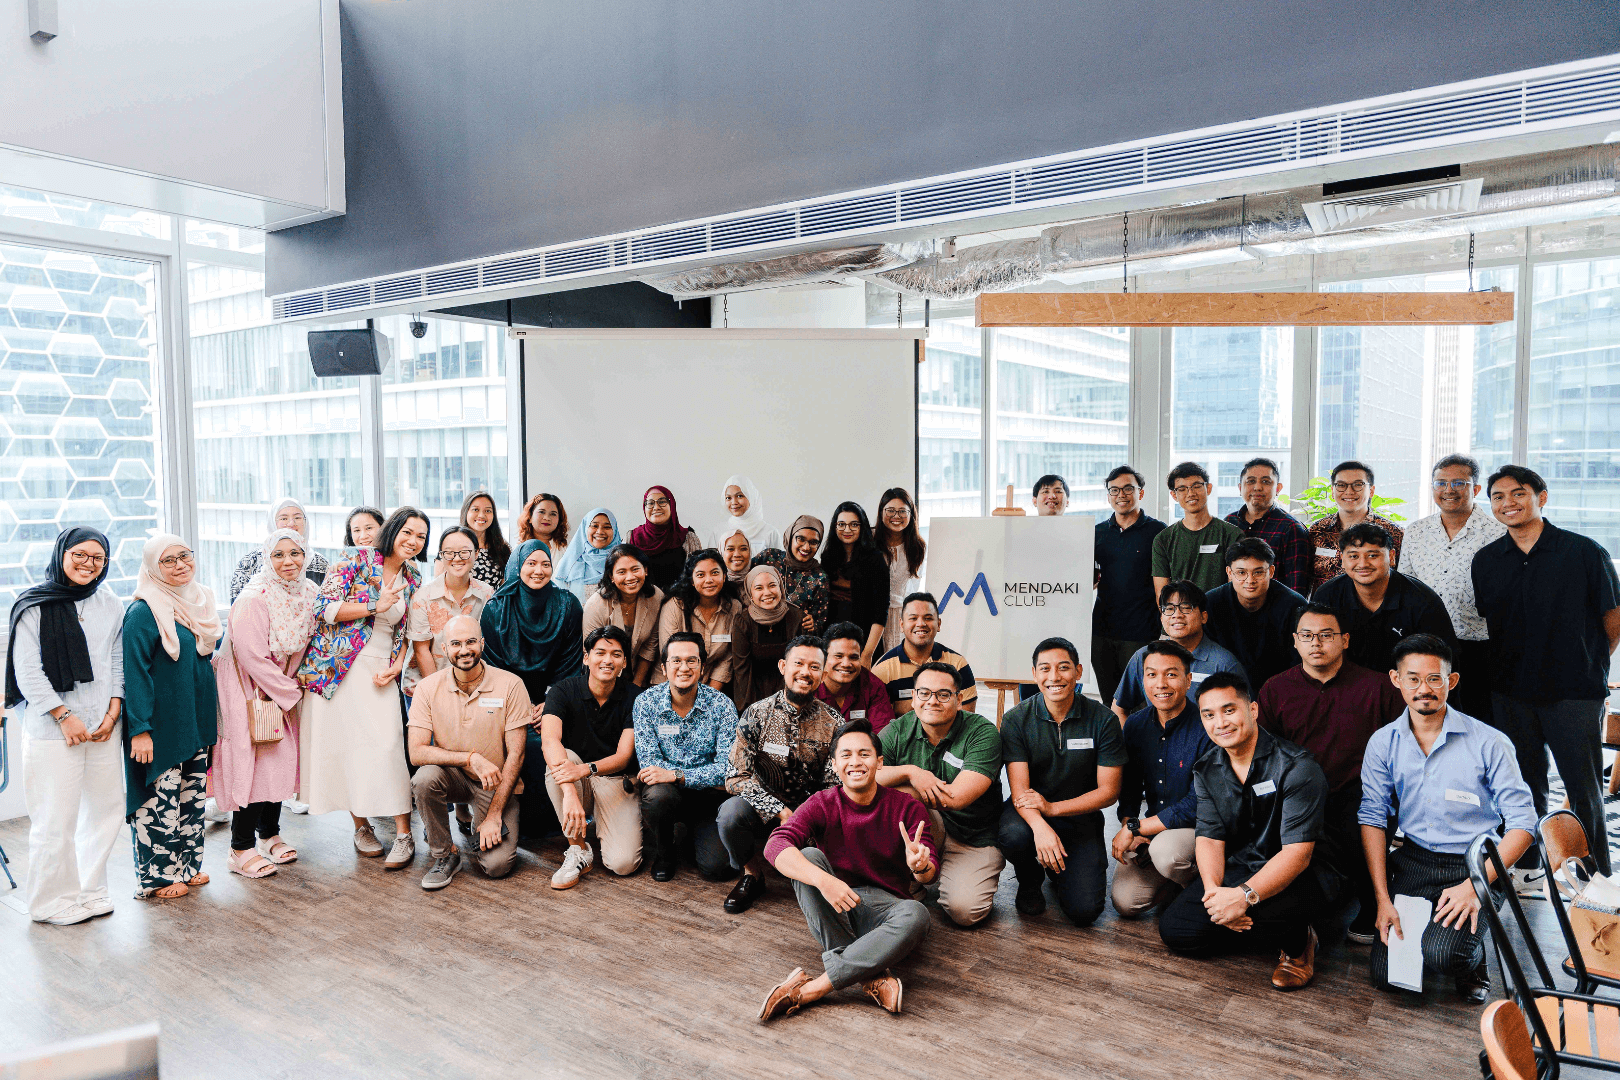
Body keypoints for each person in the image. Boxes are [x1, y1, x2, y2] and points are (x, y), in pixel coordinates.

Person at [1360, 634, 1536, 1003]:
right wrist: (1382, 898)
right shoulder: (1382, 742)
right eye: (1413, 679)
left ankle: (1472, 957)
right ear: (1396, 680)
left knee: (1444, 956)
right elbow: (1373, 817)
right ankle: (1437, 934)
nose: (1424, 689)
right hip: (1414, 860)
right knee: (1386, 977)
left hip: (1475, 863)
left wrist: (1475, 885)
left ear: (1451, 681)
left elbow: (1524, 824)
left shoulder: (1489, 742)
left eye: (1434, 679)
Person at [1472, 464, 1620, 879]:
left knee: (1582, 787)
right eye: (1498, 496)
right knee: (1522, 785)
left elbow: (1613, 618)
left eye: (1518, 493)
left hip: (1573, 690)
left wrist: (1590, 662)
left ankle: (1595, 876)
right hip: (1510, 689)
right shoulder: (1486, 560)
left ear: (1542, 497)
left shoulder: (1584, 551)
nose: (1508, 503)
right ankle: (1529, 863)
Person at [1159, 674, 1334, 991]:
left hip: (1304, 871)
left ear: (1252, 710)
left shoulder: (1296, 766)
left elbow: (1298, 855)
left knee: (1272, 908)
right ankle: (1260, 928)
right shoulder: (1206, 768)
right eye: (1209, 715)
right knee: (1176, 931)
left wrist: (1244, 897)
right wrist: (1215, 896)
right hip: (1244, 865)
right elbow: (1209, 838)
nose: (1220, 723)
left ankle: (1300, 946)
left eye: (1229, 710)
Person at [759, 718, 935, 1021]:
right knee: (808, 856)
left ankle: (812, 989)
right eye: (846, 755)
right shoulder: (822, 802)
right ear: (834, 764)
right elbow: (775, 845)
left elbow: (931, 874)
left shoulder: (907, 806)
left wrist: (920, 866)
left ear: (880, 762)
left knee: (917, 915)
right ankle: (871, 975)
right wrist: (824, 881)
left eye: (865, 754)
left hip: (884, 911)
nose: (856, 762)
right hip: (836, 901)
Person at [1257, 603, 1403, 943]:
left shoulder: (1379, 687)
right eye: (1307, 636)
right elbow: (1264, 753)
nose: (1316, 643)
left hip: (1361, 792)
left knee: (1363, 825)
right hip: (1300, 792)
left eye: (1326, 635)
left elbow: (1403, 749)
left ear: (1345, 640)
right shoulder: (1276, 689)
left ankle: (1373, 903)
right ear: (1295, 641)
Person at [6, 527, 124, 924]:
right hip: (52, 728)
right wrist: (64, 716)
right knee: (55, 818)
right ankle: (50, 902)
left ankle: (90, 890)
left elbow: (116, 662)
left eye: (98, 557)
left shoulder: (110, 603)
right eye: (80, 554)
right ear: (62, 554)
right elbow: (27, 670)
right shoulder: (33, 605)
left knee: (106, 811)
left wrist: (113, 712)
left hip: (103, 725)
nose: (89, 564)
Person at [298, 507, 428, 870]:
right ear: (392, 530)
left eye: (420, 536)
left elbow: (407, 630)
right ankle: (361, 826)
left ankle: (404, 834)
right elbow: (323, 607)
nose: (413, 541)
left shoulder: (414, 575)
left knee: (388, 747)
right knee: (346, 747)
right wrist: (374, 605)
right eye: (407, 532)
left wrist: (398, 665)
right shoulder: (355, 559)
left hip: (381, 669)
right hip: (337, 668)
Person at [998, 637, 1125, 926]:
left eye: (1063, 667)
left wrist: (1053, 809)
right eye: (1045, 668)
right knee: (1013, 835)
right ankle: (1030, 879)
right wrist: (1040, 825)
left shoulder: (1103, 720)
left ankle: (1058, 869)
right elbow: (1020, 792)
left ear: (1078, 671)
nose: (1054, 677)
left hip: (1080, 816)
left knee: (1084, 911)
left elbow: (1109, 792)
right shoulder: (1016, 720)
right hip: (1029, 814)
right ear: (1034, 674)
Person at [123, 534, 221, 900]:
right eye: (168, 560)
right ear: (153, 567)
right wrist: (140, 730)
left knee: (191, 799)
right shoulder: (143, 611)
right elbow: (134, 674)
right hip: (159, 726)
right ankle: (156, 878)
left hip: (193, 720)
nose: (180, 565)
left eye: (184, 556)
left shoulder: (200, 601)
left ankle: (186, 867)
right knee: (158, 802)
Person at [215, 529, 317, 881]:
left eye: (295, 553)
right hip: (248, 689)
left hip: (281, 687)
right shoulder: (254, 598)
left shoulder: (308, 592)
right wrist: (289, 691)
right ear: (266, 559)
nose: (288, 561)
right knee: (254, 764)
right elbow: (251, 656)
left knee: (280, 761)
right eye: (278, 555)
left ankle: (269, 834)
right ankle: (239, 848)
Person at [719, 636, 842, 914]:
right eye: (798, 663)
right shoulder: (756, 714)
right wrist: (779, 810)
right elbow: (735, 777)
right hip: (763, 811)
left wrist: (805, 816)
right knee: (730, 814)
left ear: (823, 675)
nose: (805, 672)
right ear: (783, 667)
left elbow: (834, 784)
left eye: (814, 667)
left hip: (812, 816)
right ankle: (752, 874)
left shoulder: (834, 722)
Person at [876, 662, 1004, 927]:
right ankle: (913, 877)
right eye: (924, 693)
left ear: (959, 699)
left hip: (972, 835)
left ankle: (949, 870)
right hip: (924, 827)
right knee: (888, 794)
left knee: (965, 911)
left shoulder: (982, 733)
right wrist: (911, 772)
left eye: (943, 694)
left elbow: (955, 798)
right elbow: (866, 774)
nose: (932, 701)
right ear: (913, 698)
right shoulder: (898, 730)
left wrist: (909, 788)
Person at [407, 616, 530, 890]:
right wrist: (469, 758)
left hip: (494, 783)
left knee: (497, 866)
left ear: (482, 644)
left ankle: (477, 819)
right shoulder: (427, 688)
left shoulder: (511, 685)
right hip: (452, 776)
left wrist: (494, 815)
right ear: (444, 649)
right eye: (456, 644)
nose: (464, 650)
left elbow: (517, 755)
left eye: (471, 642)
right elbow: (416, 752)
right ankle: (445, 853)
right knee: (424, 779)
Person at [1400, 454, 1505, 726]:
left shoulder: (1500, 533)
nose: (1448, 490)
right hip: (1428, 646)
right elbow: (1406, 587)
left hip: (1481, 647)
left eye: (1459, 483)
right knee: (1431, 721)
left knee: (1479, 721)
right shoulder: (1416, 532)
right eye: (1441, 483)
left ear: (1476, 489)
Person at [1112, 641, 1213, 918]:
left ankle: (1202, 888)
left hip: (1201, 830)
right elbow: (1130, 788)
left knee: (1167, 853)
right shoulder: (1135, 724)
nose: (1161, 684)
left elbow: (1198, 803)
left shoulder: (1206, 726)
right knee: (1126, 902)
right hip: (1154, 831)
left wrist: (1136, 827)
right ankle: (1175, 882)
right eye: (1152, 674)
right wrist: (1131, 829)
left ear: (1188, 680)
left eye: (1171, 674)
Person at [540, 625, 644, 888]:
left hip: (616, 779)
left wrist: (586, 769)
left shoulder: (635, 697)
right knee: (560, 760)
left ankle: (606, 824)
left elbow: (623, 756)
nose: (608, 660)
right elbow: (549, 740)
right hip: (575, 778)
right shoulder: (562, 690)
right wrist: (569, 792)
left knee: (623, 864)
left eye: (616, 654)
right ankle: (578, 849)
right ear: (586, 658)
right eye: (600, 653)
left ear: (624, 662)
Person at [633, 632, 741, 881]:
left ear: (702, 668)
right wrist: (672, 778)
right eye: (676, 661)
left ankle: (695, 834)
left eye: (692, 661)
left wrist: (678, 775)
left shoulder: (722, 705)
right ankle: (664, 851)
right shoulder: (646, 703)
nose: (684, 668)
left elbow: (727, 768)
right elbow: (649, 763)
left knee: (717, 869)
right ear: (664, 668)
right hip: (667, 794)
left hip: (709, 797)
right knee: (657, 795)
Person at [1312, 523, 1456, 676]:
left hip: (1404, 685)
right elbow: (1315, 649)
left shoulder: (1423, 601)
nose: (1363, 564)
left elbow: (1443, 662)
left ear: (1391, 557)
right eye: (1353, 556)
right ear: (1342, 559)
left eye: (1373, 555)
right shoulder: (1327, 595)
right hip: (1345, 684)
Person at [1111, 581, 1244, 724]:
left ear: (1203, 616)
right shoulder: (1144, 657)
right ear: (1162, 618)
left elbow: (1242, 717)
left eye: (1186, 608)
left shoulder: (1223, 664)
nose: (1177, 615)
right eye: (1169, 609)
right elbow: (1119, 710)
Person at [480, 539, 585, 712]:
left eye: (546, 564)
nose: (539, 571)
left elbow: (570, 662)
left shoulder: (568, 605)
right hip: (507, 699)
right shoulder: (495, 609)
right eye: (531, 563)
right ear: (518, 566)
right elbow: (492, 665)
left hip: (557, 697)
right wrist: (520, 703)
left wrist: (553, 701)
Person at [1093, 466, 1167, 707]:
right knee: (1110, 702)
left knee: (1140, 703)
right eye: (1114, 490)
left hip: (1142, 632)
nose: (1121, 495)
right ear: (1108, 496)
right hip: (1102, 632)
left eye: (1127, 489)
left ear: (1140, 493)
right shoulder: (1098, 533)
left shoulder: (1158, 532)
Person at [1203, 538, 1308, 692]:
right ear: (1229, 573)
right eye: (1241, 573)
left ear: (1271, 572)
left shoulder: (1295, 605)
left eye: (1258, 572)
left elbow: (1300, 662)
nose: (1250, 580)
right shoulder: (1211, 603)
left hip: (1281, 689)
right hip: (1225, 688)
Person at [407, 526, 496, 698]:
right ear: (441, 555)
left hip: (473, 688)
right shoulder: (423, 597)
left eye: (464, 552)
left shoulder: (487, 594)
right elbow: (421, 651)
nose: (457, 558)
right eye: (449, 552)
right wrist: (441, 694)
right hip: (426, 686)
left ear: (476, 553)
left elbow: (489, 645)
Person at [872, 592, 979, 717]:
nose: (921, 624)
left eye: (928, 618)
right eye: (913, 618)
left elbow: (967, 719)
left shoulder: (958, 664)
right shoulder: (883, 670)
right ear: (901, 625)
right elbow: (882, 723)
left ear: (938, 624)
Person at [655, 548, 743, 692]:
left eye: (715, 573)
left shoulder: (734, 607)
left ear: (724, 576)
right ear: (691, 580)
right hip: (671, 685)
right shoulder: (675, 606)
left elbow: (727, 658)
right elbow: (671, 658)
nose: (709, 580)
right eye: (701, 575)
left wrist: (709, 695)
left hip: (712, 687)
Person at [1309, 460, 1405, 593]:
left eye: (1358, 485)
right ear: (1332, 491)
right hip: (1324, 604)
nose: (1349, 491)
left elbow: (1402, 580)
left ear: (1371, 491)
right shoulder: (1317, 530)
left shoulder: (1393, 533)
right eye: (1341, 485)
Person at [1152, 461, 1243, 595]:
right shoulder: (1163, 539)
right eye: (1182, 489)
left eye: (1196, 486)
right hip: (1180, 608)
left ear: (1208, 488)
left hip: (1220, 607)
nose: (1191, 493)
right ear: (1174, 495)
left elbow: (1236, 588)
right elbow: (1162, 595)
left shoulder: (1231, 534)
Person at [1224, 457, 1313, 595]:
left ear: (1278, 488)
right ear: (1240, 488)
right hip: (1232, 606)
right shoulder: (1229, 523)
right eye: (1251, 481)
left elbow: (1297, 589)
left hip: (1275, 607)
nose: (1257, 487)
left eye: (1266, 482)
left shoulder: (1291, 529)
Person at [583, 545, 663, 686]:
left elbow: (650, 646)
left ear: (645, 570)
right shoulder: (596, 604)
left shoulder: (656, 597)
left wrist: (635, 686)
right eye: (621, 572)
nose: (630, 577)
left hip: (640, 673)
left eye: (635, 569)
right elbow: (592, 651)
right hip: (601, 673)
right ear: (611, 577)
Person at [820, 502, 889, 667]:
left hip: (864, 640)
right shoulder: (828, 557)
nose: (847, 529)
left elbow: (880, 612)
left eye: (854, 524)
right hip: (832, 640)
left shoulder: (875, 559)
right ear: (835, 527)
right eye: (841, 524)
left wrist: (867, 654)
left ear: (862, 527)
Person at [228, 498, 331, 602]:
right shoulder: (251, 561)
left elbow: (328, 603)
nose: (291, 523)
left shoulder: (320, 563)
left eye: (297, 517)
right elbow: (238, 603)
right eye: (284, 518)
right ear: (272, 522)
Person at [731, 565, 805, 710]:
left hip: (791, 697)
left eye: (772, 585)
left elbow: (801, 665)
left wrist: (789, 704)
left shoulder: (797, 617)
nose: (767, 592)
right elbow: (741, 670)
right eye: (759, 588)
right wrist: (753, 709)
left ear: (781, 587)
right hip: (754, 697)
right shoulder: (743, 622)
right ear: (750, 593)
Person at [814, 621, 897, 734]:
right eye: (838, 656)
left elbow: (884, 736)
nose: (846, 664)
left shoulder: (873, 685)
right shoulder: (810, 683)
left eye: (853, 657)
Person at [752, 515, 829, 634]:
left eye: (813, 542)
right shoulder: (769, 558)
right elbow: (742, 578)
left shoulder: (819, 577)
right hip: (757, 630)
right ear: (790, 536)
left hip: (793, 637)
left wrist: (813, 624)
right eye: (801, 539)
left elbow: (819, 622)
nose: (806, 547)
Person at [874, 487, 926, 653]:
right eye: (890, 510)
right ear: (881, 512)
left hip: (903, 617)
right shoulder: (870, 541)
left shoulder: (918, 547)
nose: (896, 516)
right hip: (873, 616)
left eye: (902, 511)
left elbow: (913, 588)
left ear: (911, 514)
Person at [629, 485, 701, 592]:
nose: (656, 507)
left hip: (679, 599)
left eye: (662, 501)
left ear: (672, 505)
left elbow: (697, 576)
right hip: (642, 599)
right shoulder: (632, 538)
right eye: (650, 503)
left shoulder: (688, 538)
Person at [554, 507, 620, 603]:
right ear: (585, 528)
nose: (600, 532)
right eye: (594, 526)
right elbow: (558, 602)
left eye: (607, 527)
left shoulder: (623, 561)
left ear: (614, 530)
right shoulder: (569, 563)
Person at [708, 474, 781, 553]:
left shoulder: (770, 533)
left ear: (751, 497)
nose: (734, 502)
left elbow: (780, 560)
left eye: (739, 496)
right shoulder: (718, 532)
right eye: (728, 498)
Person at [459, 489, 512, 590]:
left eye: (488, 511)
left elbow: (506, 588)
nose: (481, 515)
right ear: (466, 512)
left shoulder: (502, 548)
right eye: (475, 509)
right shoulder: (451, 545)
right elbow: (439, 586)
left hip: (493, 600)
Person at [517, 491, 570, 562]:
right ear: (530, 517)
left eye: (553, 514)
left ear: (559, 520)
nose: (547, 518)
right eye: (541, 512)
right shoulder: (518, 550)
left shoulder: (568, 549)